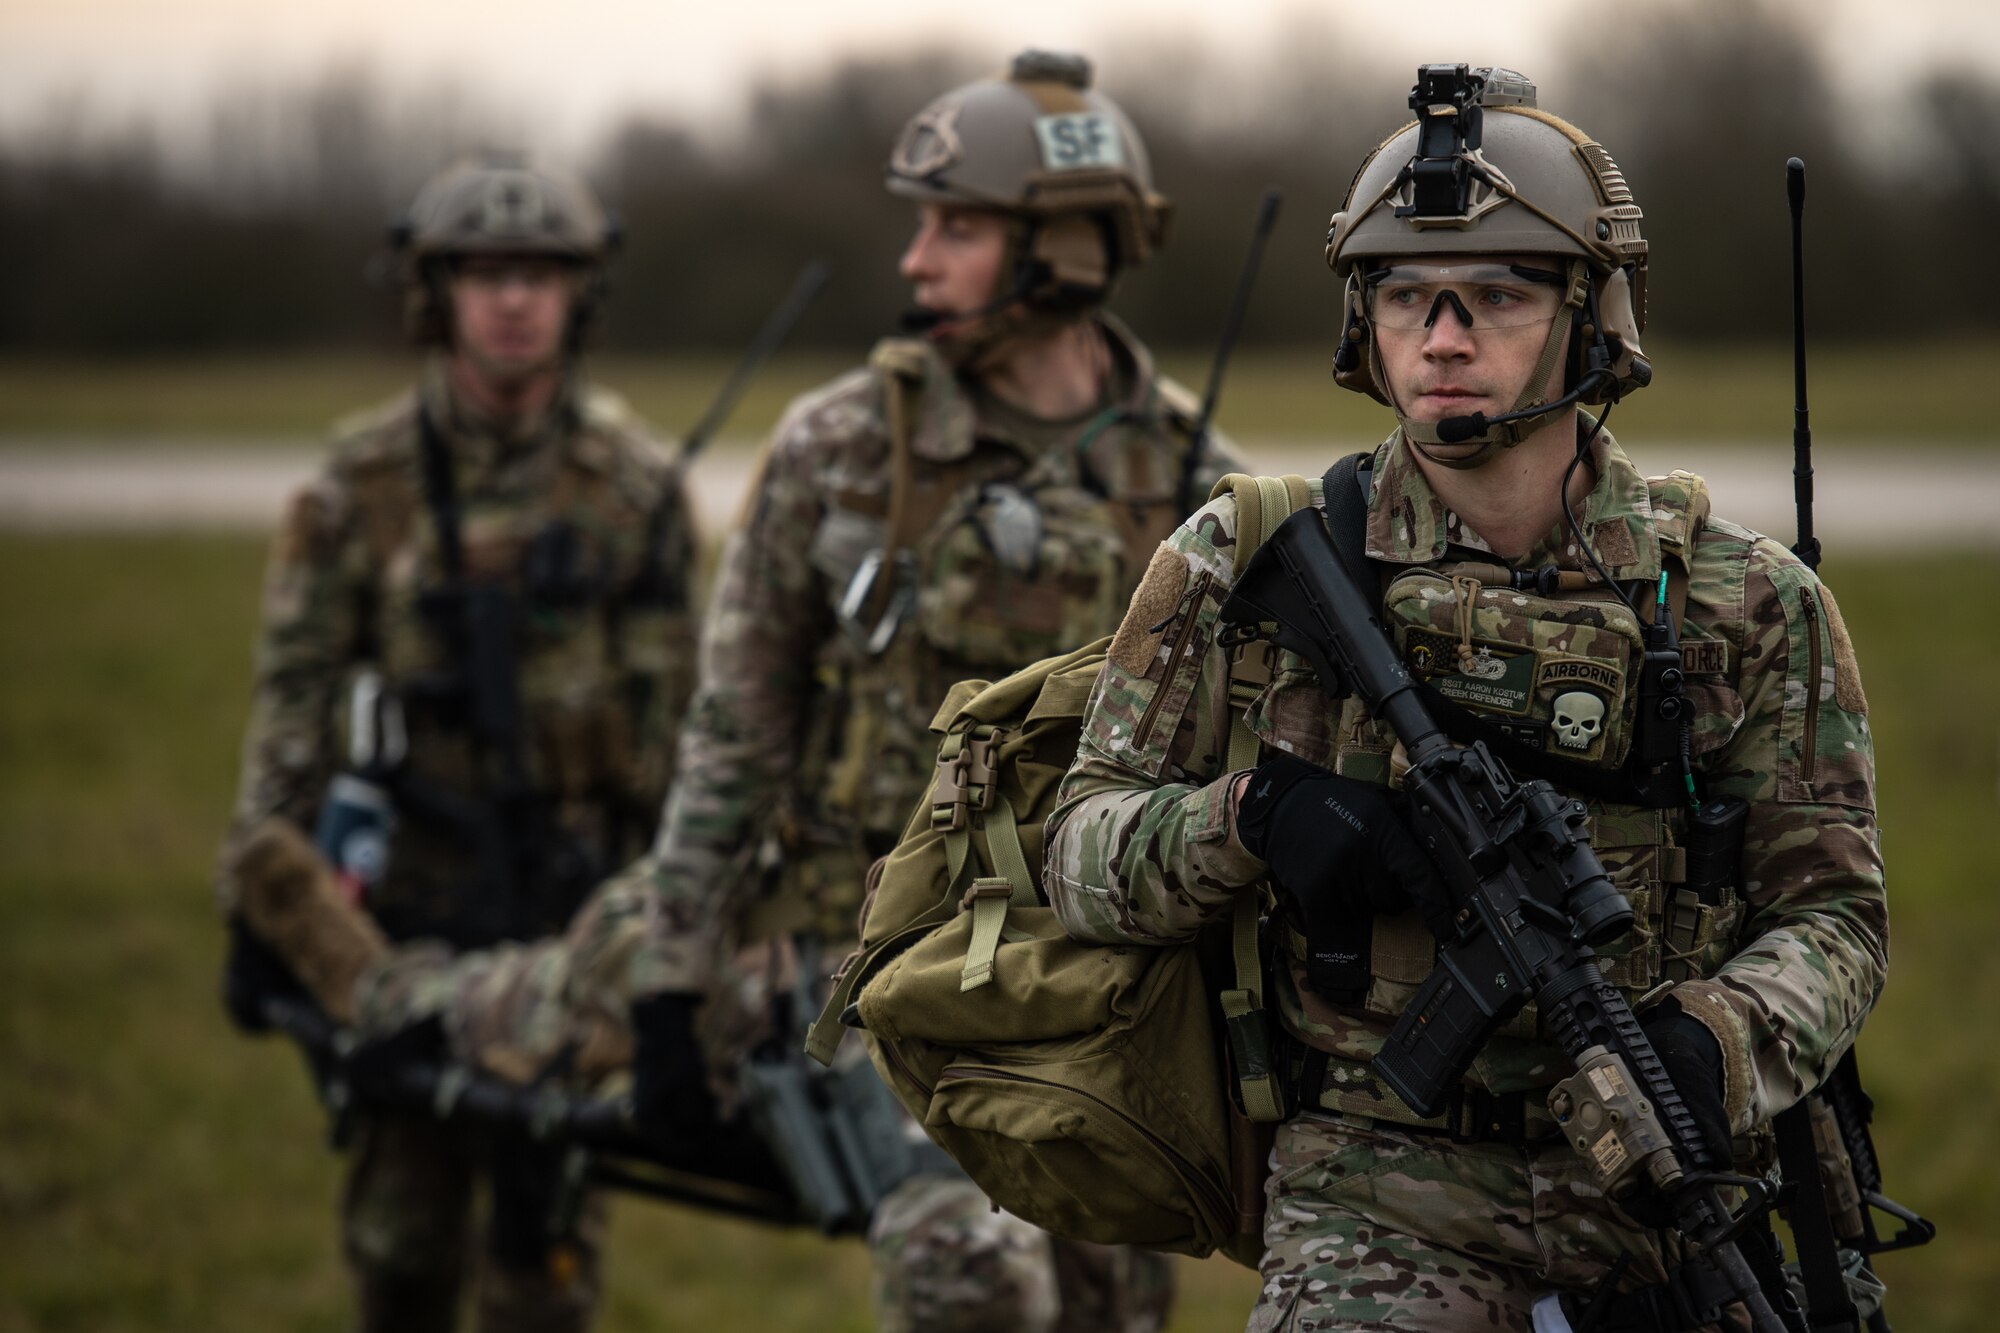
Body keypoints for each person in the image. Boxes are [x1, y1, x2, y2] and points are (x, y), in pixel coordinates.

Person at [238, 49, 1242, 1333]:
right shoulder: (838, 450)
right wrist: (670, 980)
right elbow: (733, 733)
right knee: (485, 1018)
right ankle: (334, 944)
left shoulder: (1196, 486)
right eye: (918, 224)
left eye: (956, 227)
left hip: (1062, 963)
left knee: (1111, 1296)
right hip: (829, 944)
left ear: (1068, 249)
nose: (914, 261)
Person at [1043, 66, 1887, 1332]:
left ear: (1588, 319)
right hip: (1378, 1192)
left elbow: (1835, 918)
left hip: (1674, 1181)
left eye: (1492, 295)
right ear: (1361, 325)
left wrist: (1721, 1039)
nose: (1440, 337)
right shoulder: (1250, 559)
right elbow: (1077, 853)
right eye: (1401, 297)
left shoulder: (1742, 599)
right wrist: (1252, 817)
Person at [218, 153, 696, 1333]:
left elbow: (689, 732)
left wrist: (676, 936)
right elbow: (293, 703)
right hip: (404, 915)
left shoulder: (637, 490)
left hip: (572, 920)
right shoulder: (355, 488)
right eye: (484, 272)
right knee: (402, 1242)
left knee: (545, 1262)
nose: (514, 299)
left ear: (579, 295)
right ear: (434, 295)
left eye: (541, 272)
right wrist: (266, 899)